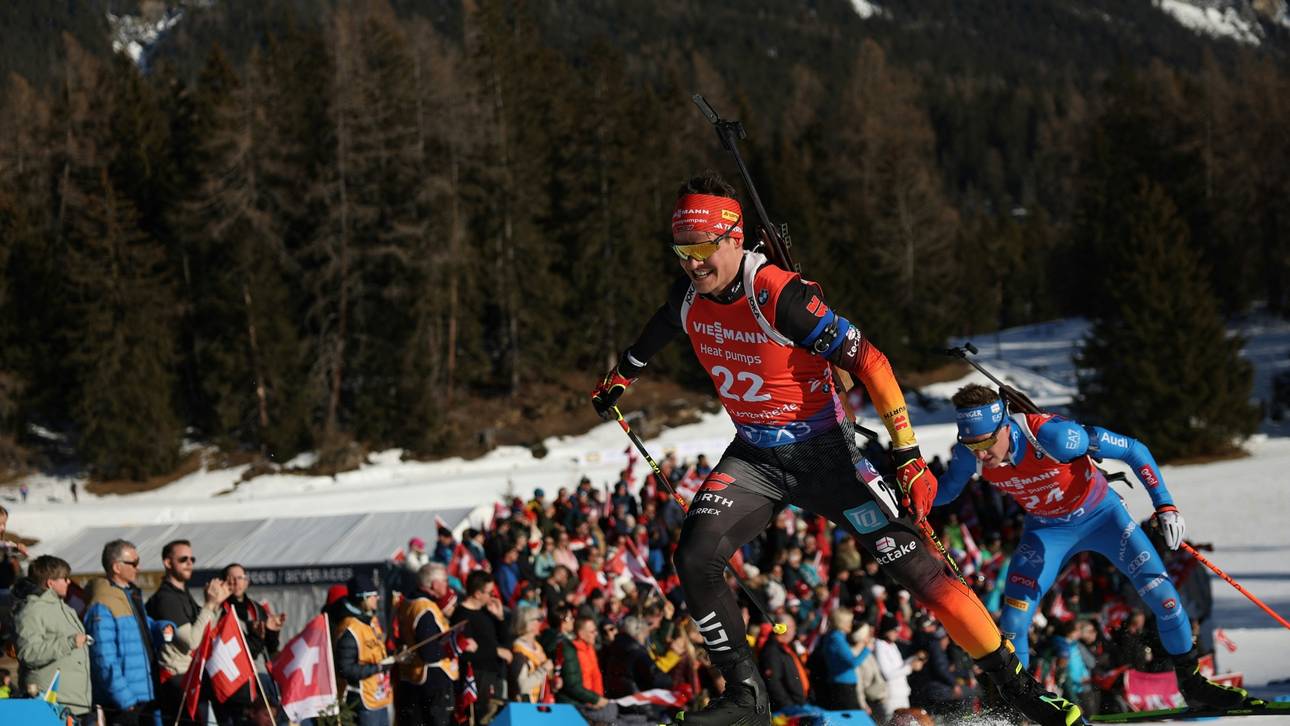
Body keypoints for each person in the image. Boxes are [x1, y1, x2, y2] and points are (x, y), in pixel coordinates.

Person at [590, 172, 1083, 726]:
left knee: (921, 575)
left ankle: (1017, 688)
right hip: (755, 456)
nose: (692, 263)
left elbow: (871, 362)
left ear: (734, 237)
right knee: (694, 556)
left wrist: (909, 455)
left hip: (830, 459)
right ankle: (747, 697)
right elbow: (659, 326)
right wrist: (622, 375)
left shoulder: (777, 296)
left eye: (703, 249)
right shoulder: (688, 295)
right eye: (682, 251)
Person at [939, 384, 1248, 710]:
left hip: (1103, 518)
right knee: (1013, 621)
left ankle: (1193, 685)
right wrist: (907, 489)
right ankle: (1021, 709)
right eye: (971, 444)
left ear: (1004, 425)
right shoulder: (968, 456)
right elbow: (944, 492)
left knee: (1165, 599)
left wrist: (1165, 506)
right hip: (1047, 530)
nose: (981, 453)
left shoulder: (1053, 436)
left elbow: (1133, 449)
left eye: (986, 442)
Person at [85, 539, 171, 726]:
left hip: (145, 693)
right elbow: (103, 656)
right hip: (125, 702)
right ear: (116, 567)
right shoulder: (103, 603)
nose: (138, 568)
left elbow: (140, 627)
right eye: (134, 563)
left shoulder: (128, 594)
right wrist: (124, 698)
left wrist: (160, 627)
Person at [145, 539, 230, 724]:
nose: (190, 563)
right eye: (183, 559)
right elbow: (192, 641)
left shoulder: (183, 594)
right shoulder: (166, 599)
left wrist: (216, 605)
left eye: (192, 559)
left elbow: (208, 631)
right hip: (177, 680)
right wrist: (209, 604)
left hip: (192, 677)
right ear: (168, 563)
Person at [14, 555, 91, 721]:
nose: (69, 582)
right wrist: (69, 642)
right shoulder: (32, 610)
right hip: (51, 705)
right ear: (50, 583)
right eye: (65, 578)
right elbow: (28, 653)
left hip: (75, 703)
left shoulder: (64, 608)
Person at [215, 563, 285, 726]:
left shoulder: (256, 609)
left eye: (240, 578)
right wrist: (257, 637)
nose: (236, 582)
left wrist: (273, 631)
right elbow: (241, 652)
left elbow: (270, 648)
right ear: (223, 582)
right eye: (230, 578)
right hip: (236, 680)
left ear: (247, 582)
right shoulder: (220, 611)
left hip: (261, 676)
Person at [334, 572, 400, 726]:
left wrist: (394, 657)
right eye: (373, 595)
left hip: (379, 696)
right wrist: (378, 667)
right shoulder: (349, 627)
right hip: (363, 699)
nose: (377, 598)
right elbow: (345, 669)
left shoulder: (371, 621)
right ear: (362, 597)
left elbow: (376, 652)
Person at [450, 570, 510, 724]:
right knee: (480, 719)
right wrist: (495, 651)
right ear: (477, 594)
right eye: (490, 593)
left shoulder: (486, 611)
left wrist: (500, 618)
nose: (493, 596)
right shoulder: (461, 616)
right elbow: (465, 653)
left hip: (493, 674)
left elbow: (504, 641)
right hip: (476, 678)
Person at [556, 615, 616, 725]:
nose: (596, 634)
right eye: (592, 632)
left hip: (591, 702)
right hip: (578, 705)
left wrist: (598, 699)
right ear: (581, 634)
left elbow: (595, 677)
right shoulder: (573, 651)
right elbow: (573, 684)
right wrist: (595, 700)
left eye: (595, 631)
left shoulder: (589, 648)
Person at [756, 616, 810, 715]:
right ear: (783, 628)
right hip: (789, 709)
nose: (795, 631)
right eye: (793, 627)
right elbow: (773, 683)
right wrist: (788, 707)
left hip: (800, 703)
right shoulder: (771, 651)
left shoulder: (787, 645)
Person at [874, 613, 924, 715]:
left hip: (902, 694)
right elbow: (888, 674)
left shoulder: (892, 645)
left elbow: (900, 666)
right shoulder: (879, 646)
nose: (897, 633)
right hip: (891, 697)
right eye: (895, 630)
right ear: (887, 630)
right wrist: (910, 667)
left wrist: (914, 658)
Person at [507, 606, 552, 704]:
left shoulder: (537, 647)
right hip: (526, 706)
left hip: (540, 704)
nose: (541, 623)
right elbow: (523, 687)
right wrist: (543, 669)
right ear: (527, 623)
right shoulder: (518, 650)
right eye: (538, 620)